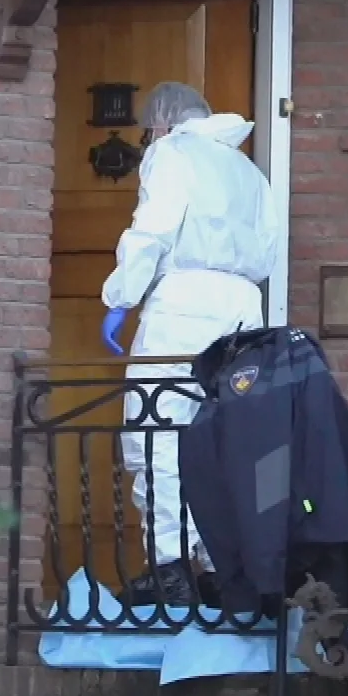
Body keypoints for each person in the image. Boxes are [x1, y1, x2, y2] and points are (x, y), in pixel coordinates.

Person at [101, 82, 279, 607]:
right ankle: (218, 567)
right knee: (222, 440)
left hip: (183, 303)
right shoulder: (248, 171)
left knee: (156, 431)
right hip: (243, 308)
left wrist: (121, 297)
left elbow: (152, 229)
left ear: (162, 121)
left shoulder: (173, 152)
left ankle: (170, 566)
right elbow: (268, 248)